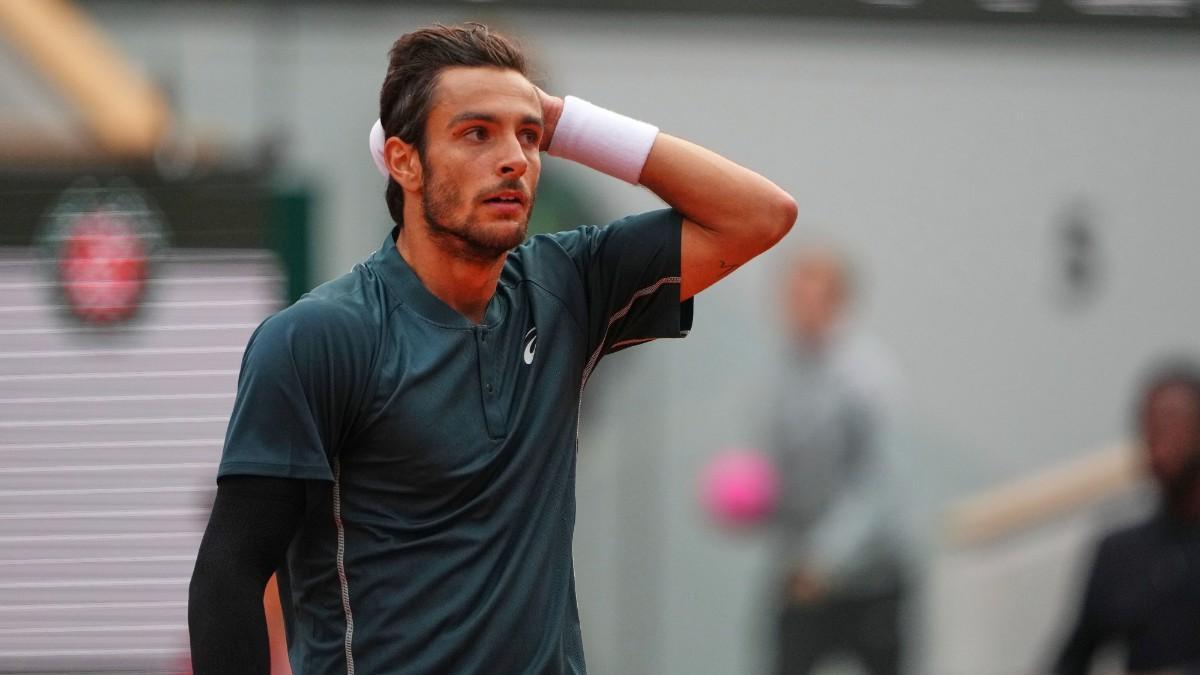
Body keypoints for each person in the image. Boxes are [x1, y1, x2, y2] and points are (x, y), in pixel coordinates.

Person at [187, 23, 796, 674]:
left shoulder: (570, 285)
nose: (513, 158)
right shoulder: (319, 336)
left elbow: (759, 215)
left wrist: (565, 120)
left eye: (528, 137)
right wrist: (527, 114)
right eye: (476, 133)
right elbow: (230, 570)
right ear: (403, 160)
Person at [766, 247, 910, 675]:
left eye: (813, 296)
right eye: (794, 295)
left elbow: (879, 483)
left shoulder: (868, 376)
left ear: (838, 302)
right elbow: (784, 471)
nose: (801, 307)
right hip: (801, 576)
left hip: (872, 578)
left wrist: (825, 558)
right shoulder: (783, 373)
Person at [1051, 361, 1200, 675]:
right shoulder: (1120, 555)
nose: (1157, 446)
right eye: (1148, 429)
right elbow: (1072, 660)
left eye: (1172, 425)